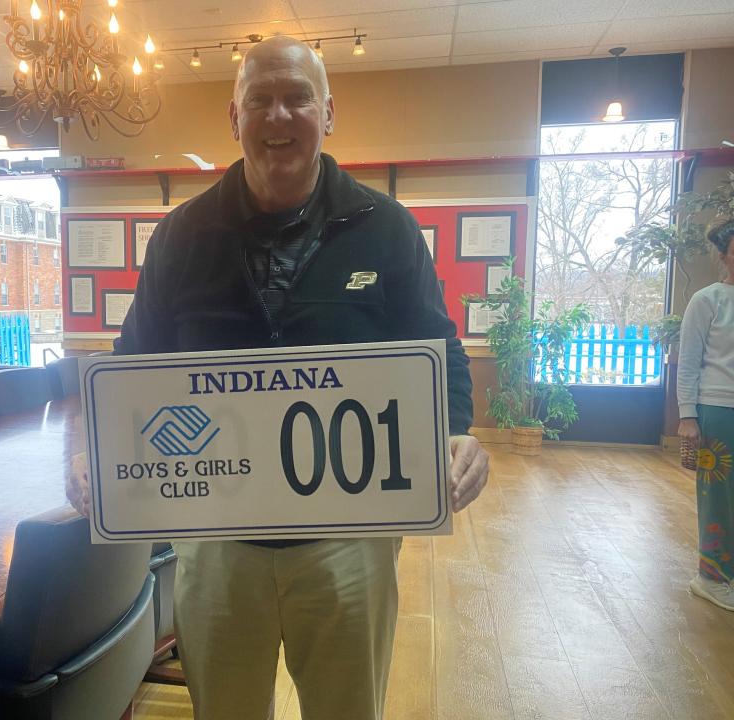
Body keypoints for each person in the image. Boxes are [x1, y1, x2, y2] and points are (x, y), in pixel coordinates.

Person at [68, 36, 489, 719]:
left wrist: (456, 433)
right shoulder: (182, 235)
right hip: (216, 543)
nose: (278, 115)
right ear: (235, 119)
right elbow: (132, 364)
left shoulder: (387, 228)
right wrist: (93, 449)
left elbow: (437, 347)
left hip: (350, 537)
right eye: (260, 99)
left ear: (328, 113)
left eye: (297, 97)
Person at [678, 219, 734, 611]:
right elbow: (689, 363)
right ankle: (710, 577)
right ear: (725, 253)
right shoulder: (708, 300)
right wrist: (687, 415)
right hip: (718, 408)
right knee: (718, 496)